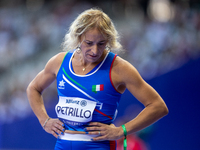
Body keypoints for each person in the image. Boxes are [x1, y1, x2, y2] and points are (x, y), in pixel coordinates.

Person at [26, 8, 168, 150]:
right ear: (78, 37)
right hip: (62, 144)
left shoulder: (119, 68)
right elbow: (33, 88)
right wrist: (44, 120)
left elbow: (158, 106)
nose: (95, 51)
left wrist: (121, 131)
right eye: (89, 43)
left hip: (98, 145)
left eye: (101, 44)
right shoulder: (59, 62)